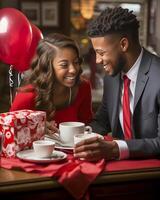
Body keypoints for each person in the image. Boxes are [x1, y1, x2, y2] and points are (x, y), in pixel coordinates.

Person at [74, 7, 160, 161]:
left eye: (101, 53)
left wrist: (115, 149)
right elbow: (103, 120)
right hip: (120, 171)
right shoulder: (112, 77)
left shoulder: (157, 76)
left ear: (124, 44)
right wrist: (73, 135)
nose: (98, 61)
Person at [10, 33, 93, 135]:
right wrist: (34, 129)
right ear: (47, 66)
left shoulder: (83, 87)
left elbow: (87, 124)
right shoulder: (26, 97)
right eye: (64, 65)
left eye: (76, 62)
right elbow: (9, 134)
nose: (73, 70)